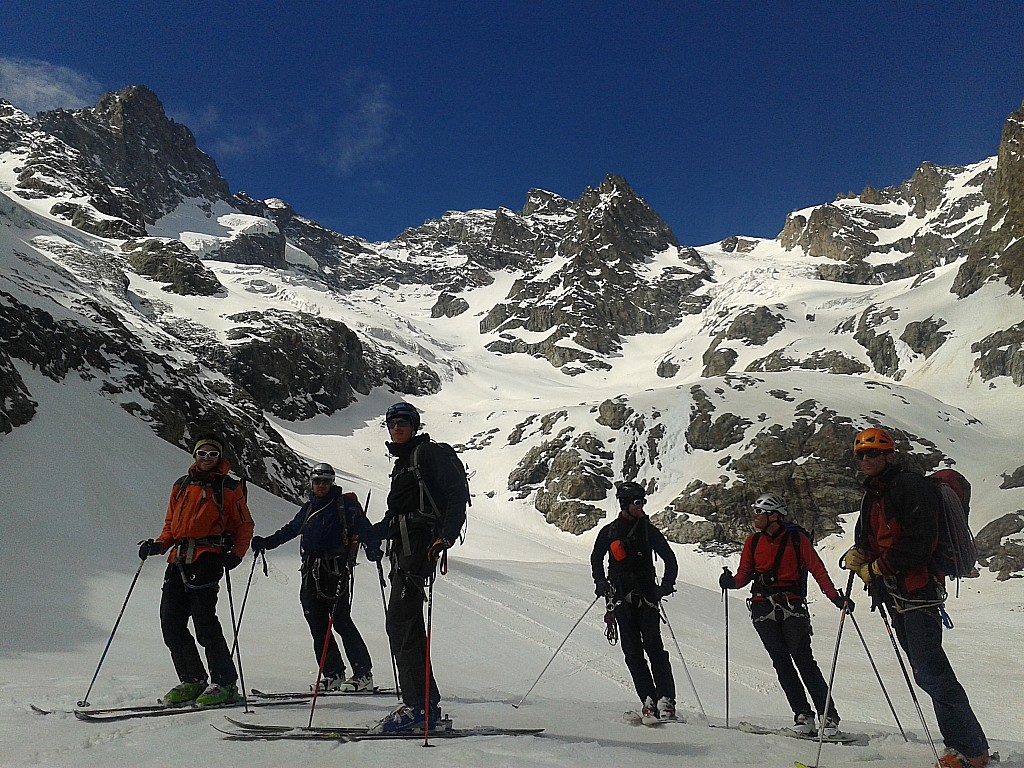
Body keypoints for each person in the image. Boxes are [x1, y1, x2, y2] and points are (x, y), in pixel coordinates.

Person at [842, 428, 989, 768]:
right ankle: (964, 746)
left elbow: (921, 542)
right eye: (862, 454)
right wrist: (860, 553)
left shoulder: (910, 487)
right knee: (928, 670)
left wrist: (876, 568)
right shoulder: (874, 494)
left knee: (931, 671)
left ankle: (971, 751)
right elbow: (873, 537)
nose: (866, 460)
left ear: (889, 455)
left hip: (918, 592)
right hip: (900, 594)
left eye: (873, 453)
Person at [368, 402, 468, 734]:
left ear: (414, 425)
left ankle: (420, 708)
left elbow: (456, 495)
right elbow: (396, 515)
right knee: (404, 624)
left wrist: (446, 537)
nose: (396, 427)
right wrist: (373, 537)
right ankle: (423, 704)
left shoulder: (425, 455)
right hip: (404, 550)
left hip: (418, 550)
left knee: (402, 622)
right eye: (392, 422)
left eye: (403, 422)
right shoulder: (404, 463)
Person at [720, 492, 851, 738]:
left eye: (760, 512)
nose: (755, 516)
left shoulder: (796, 539)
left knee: (802, 660)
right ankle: (804, 714)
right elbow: (744, 574)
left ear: (774, 516)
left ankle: (826, 716)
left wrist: (835, 597)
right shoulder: (753, 542)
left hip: (785, 607)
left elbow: (817, 569)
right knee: (783, 663)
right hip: (766, 607)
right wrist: (731, 582)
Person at [138, 434, 254, 707]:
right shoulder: (181, 485)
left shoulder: (229, 487)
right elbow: (171, 523)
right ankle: (193, 679)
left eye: (212, 454)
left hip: (207, 559)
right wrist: (159, 545)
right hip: (178, 559)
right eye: (202, 452)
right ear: (194, 454)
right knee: (171, 623)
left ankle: (224, 682)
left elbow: (244, 524)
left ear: (219, 458)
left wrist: (236, 554)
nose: (206, 458)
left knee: (204, 624)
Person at [250, 462, 381, 692]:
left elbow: (366, 529)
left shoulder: (346, 505)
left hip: (336, 570)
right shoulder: (310, 507)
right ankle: (333, 673)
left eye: (325, 481)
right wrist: (268, 542)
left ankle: (363, 674)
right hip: (311, 570)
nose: (321, 485)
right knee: (317, 622)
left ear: (332, 483)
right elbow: (291, 529)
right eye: (317, 481)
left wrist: (373, 548)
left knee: (340, 621)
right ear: (311, 483)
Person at [591, 481, 679, 722]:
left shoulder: (647, 530)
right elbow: (596, 558)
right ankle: (649, 700)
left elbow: (670, 559)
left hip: (644, 598)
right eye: (637, 502)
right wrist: (600, 581)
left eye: (642, 502)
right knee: (632, 652)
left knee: (653, 648)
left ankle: (665, 700)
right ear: (625, 505)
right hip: (622, 598)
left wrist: (665, 587)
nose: (642, 507)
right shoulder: (610, 531)